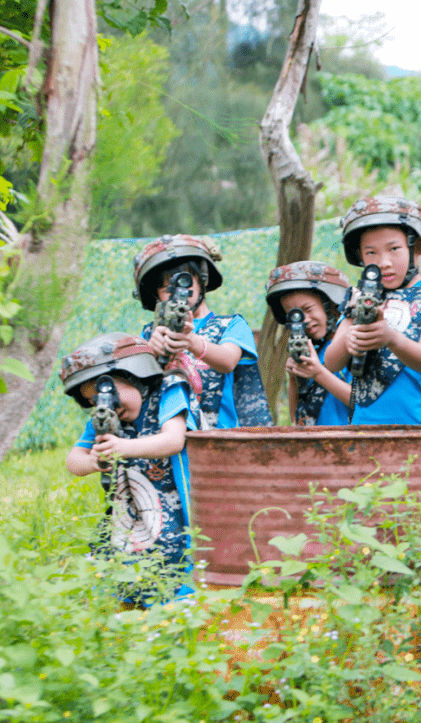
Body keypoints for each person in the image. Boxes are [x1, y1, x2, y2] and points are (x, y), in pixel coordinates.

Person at [61, 332, 201, 600]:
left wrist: (123, 448)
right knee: (128, 562)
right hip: (135, 514)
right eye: (93, 402)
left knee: (180, 563)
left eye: (109, 396)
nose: (105, 406)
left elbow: (173, 439)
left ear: (136, 375)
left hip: (183, 508)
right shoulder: (106, 417)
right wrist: (93, 460)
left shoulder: (168, 391)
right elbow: (72, 461)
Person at [324, 195, 421, 426]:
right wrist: (350, 337)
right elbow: (332, 363)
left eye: (394, 249)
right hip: (364, 429)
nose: (383, 262)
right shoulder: (358, 298)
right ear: (360, 256)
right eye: (371, 253)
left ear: (415, 248)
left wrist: (391, 338)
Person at [134, 234, 272, 429]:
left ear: (203, 279)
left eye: (184, 282)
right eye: (166, 288)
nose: (176, 294)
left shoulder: (231, 325)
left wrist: (192, 342)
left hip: (219, 445)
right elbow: (133, 385)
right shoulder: (150, 333)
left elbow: (228, 361)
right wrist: (151, 352)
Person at [264, 261, 352, 426]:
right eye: (293, 315)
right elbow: (298, 420)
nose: (303, 320)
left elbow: (365, 404)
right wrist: (294, 379)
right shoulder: (312, 353)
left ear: (332, 303)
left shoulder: (352, 345)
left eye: (308, 309)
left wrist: (318, 373)